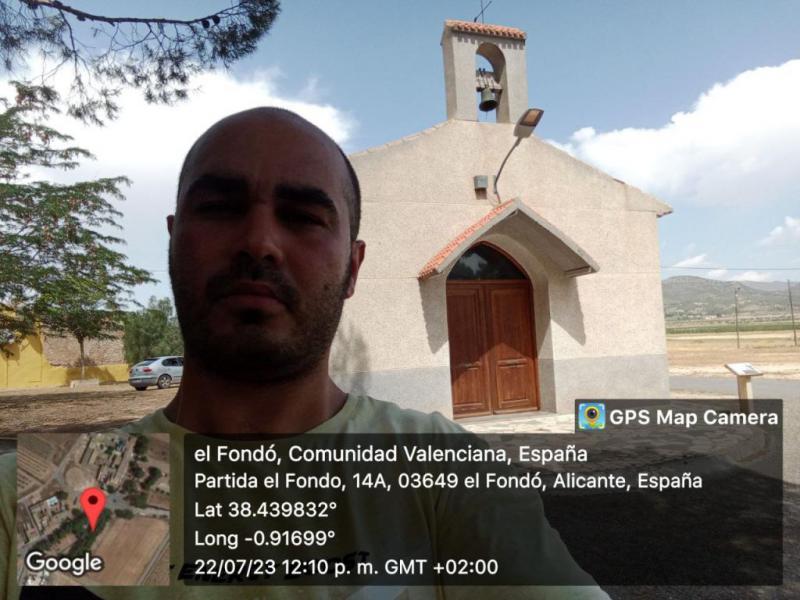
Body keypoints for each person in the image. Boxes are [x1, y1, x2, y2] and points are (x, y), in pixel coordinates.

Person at [0, 108, 609, 599]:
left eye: (303, 217)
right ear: (173, 239)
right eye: (220, 208)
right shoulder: (41, 492)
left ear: (353, 268)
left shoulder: (444, 475)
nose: (259, 242)